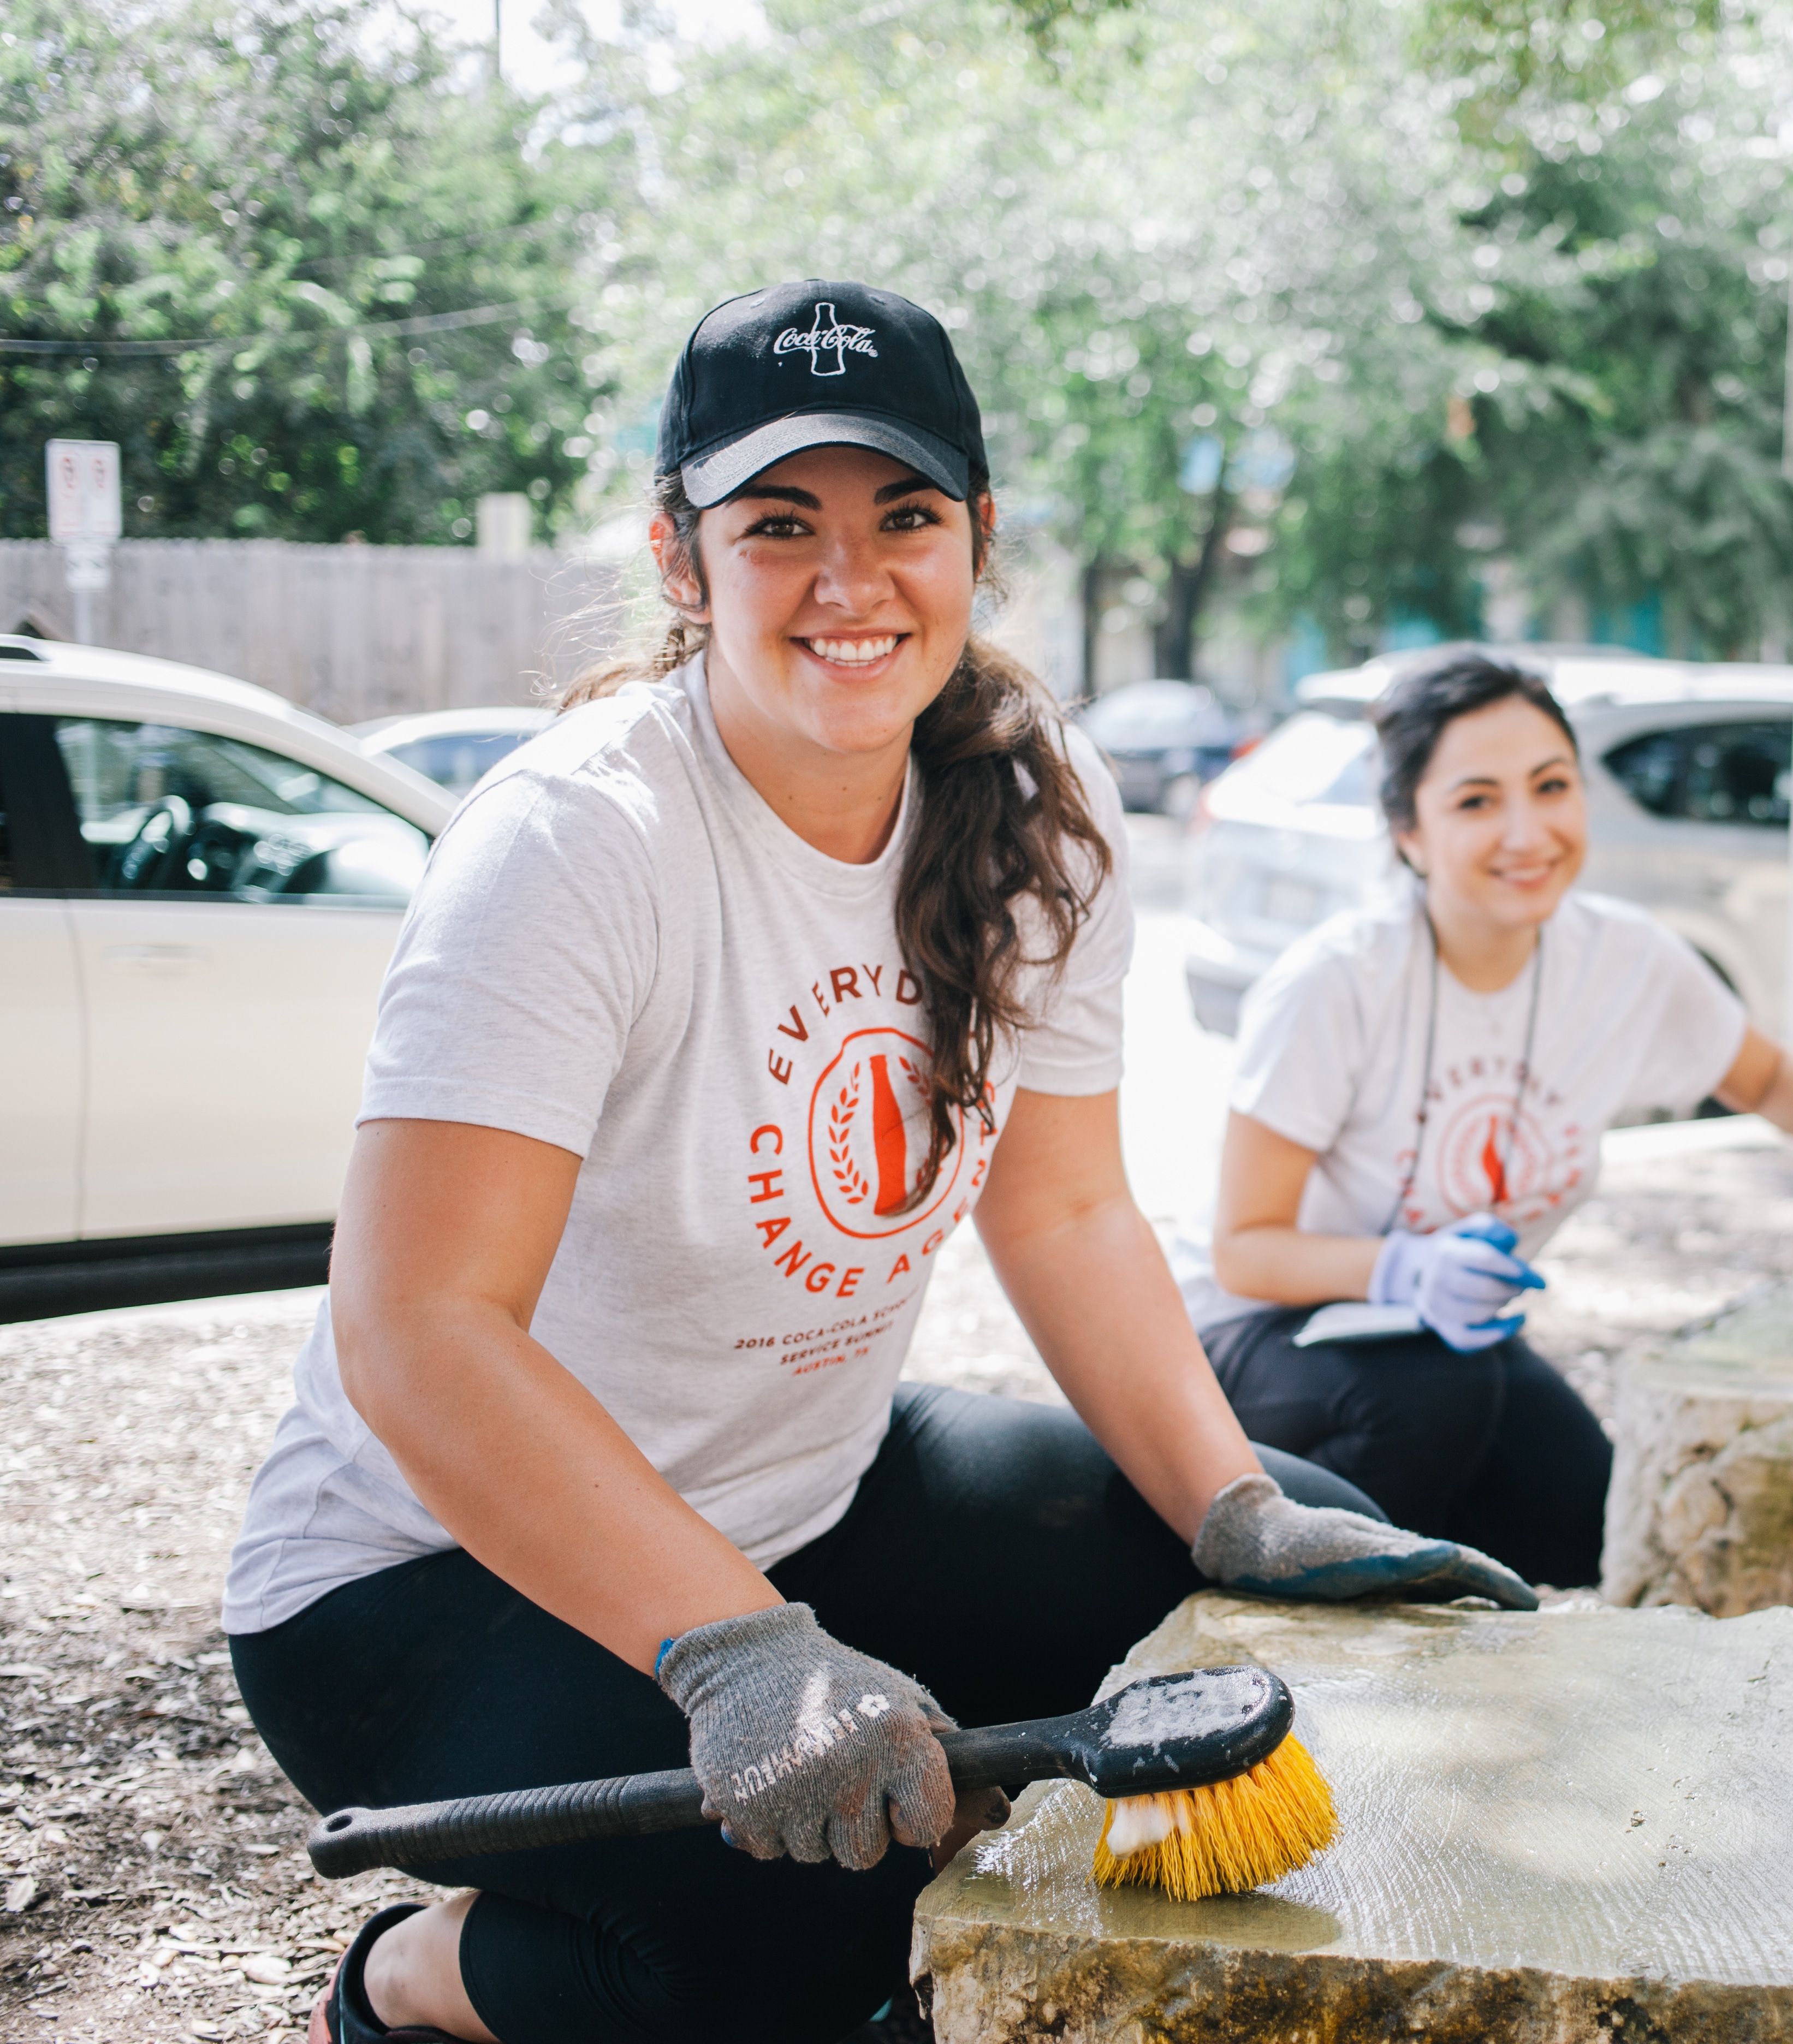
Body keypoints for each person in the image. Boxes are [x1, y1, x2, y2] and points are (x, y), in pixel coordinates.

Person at [222, 280, 1528, 2044]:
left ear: (978, 537)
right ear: (683, 557)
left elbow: (1062, 1207)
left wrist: (1236, 1502)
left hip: (809, 1502)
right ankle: (410, 1980)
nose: (850, 581)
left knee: (1301, 1613)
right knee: (815, 1946)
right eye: (780, 526)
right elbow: (419, 1326)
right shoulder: (575, 841)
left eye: (902, 518)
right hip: (424, 1580)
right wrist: (737, 1651)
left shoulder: (1038, 799)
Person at [1178, 649, 1793, 1590]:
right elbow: (1245, 1246)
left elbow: (1769, 1073)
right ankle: (1268, 1636)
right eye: (1478, 800)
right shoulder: (1339, 981)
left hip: (1443, 1344)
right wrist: (1406, 1267)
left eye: (1552, 786)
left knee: (1587, 1510)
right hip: (1258, 1336)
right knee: (1437, 1402)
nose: (1527, 830)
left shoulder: (1623, 961)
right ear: (1410, 830)